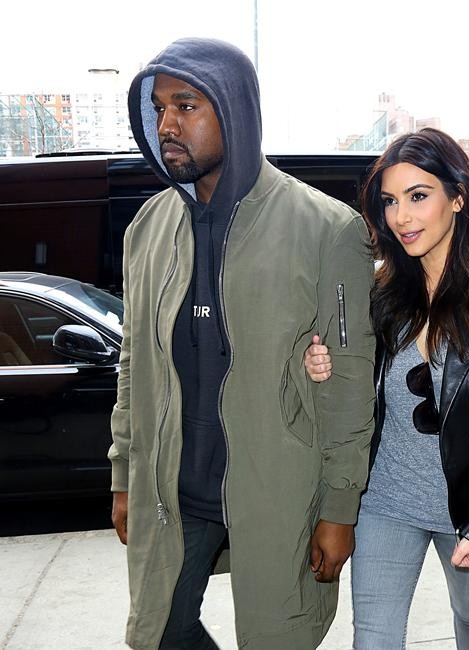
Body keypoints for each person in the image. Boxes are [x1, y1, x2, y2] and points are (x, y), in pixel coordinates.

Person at [108, 38, 376, 650]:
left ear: (233, 109)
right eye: (158, 108)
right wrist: (124, 473)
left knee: (275, 638)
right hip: (173, 490)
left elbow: (348, 382)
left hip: (277, 489)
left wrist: (338, 508)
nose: (166, 125)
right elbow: (132, 365)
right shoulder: (147, 229)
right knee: (158, 634)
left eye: (185, 105)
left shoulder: (326, 228)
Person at [304, 128, 469, 650]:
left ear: (458, 197)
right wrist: (323, 365)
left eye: (418, 196)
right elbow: (357, 383)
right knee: (373, 638)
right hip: (386, 498)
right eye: (390, 201)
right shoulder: (381, 290)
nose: (401, 217)